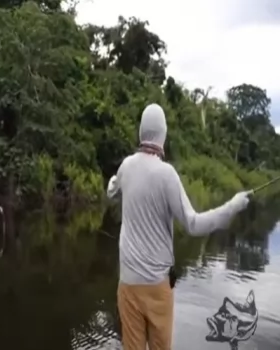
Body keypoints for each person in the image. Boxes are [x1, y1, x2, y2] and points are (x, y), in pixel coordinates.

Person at [106, 103, 252, 350]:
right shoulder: (167, 174)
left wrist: (113, 182)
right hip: (156, 287)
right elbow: (193, 224)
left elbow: (112, 190)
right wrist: (233, 206)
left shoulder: (126, 166)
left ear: (142, 132)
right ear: (163, 134)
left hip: (128, 284)